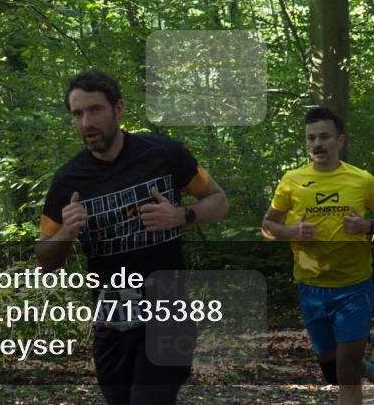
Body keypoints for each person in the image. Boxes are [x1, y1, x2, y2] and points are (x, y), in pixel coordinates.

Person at [36, 70, 229, 405]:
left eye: (95, 110)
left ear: (119, 109)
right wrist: (67, 232)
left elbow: (218, 200)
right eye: (78, 114)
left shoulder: (164, 154)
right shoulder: (68, 180)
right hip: (112, 320)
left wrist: (181, 216)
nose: (86, 123)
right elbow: (45, 260)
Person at [262, 106, 374, 405]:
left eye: (324, 137)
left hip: (353, 286)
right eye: (311, 138)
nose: (317, 144)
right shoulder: (291, 181)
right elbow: (267, 226)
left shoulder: (361, 179)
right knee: (332, 372)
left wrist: (368, 225)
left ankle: (368, 370)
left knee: (346, 370)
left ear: (340, 141)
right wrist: (291, 232)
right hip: (310, 287)